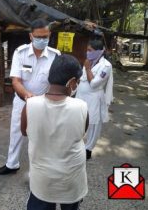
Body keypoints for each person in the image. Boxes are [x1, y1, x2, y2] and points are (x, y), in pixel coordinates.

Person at [21, 54, 88, 210]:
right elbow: (81, 133)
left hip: (42, 180)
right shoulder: (81, 106)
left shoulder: (30, 105)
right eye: (77, 82)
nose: (76, 85)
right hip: (71, 179)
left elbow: (24, 132)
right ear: (72, 82)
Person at [0, 19, 61, 175]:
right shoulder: (21, 53)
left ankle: (37, 172)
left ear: (50, 35)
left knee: (40, 138)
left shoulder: (55, 55)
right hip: (22, 101)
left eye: (45, 37)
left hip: (44, 103)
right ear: (31, 36)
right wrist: (26, 96)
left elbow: (57, 82)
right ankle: (12, 164)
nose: (42, 40)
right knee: (16, 132)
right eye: (38, 37)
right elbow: (16, 81)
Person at [76, 39, 113, 160]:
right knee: (79, 120)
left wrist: (87, 68)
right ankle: (78, 145)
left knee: (93, 123)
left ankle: (88, 148)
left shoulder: (106, 66)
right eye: (87, 50)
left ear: (98, 52)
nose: (87, 52)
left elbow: (94, 84)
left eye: (90, 50)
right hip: (81, 96)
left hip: (94, 97)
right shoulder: (89, 61)